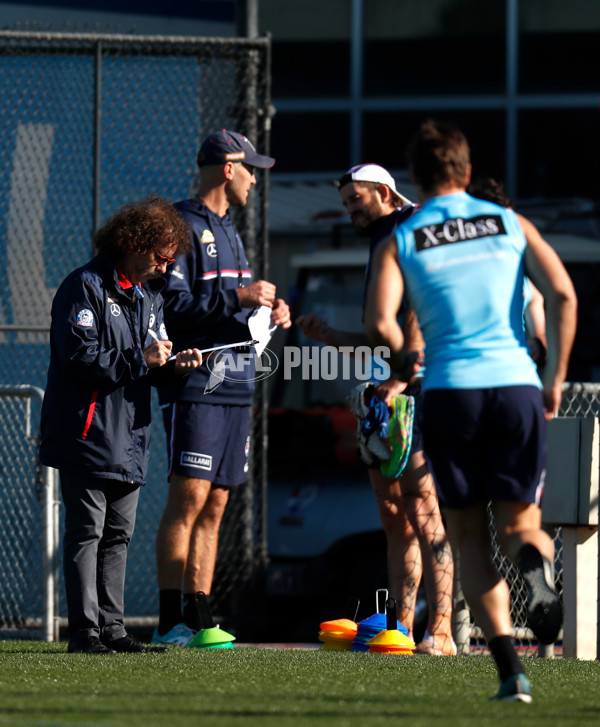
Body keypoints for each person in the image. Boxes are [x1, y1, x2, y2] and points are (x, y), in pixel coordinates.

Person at [364, 120, 577, 701]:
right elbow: (561, 294)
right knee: (519, 527)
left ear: (414, 178)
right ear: (464, 169)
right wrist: (552, 377)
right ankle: (534, 572)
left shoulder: (402, 235)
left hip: (451, 390)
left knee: (466, 537)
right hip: (515, 386)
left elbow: (379, 321)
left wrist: (405, 357)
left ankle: (511, 671)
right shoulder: (509, 222)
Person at [296, 163, 455, 655]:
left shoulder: (408, 228)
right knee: (393, 514)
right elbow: (380, 332)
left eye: (356, 200)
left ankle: (443, 631)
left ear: (384, 193)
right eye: (345, 202)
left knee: (425, 511)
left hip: (418, 389)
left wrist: (401, 379)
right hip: (389, 389)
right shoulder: (383, 235)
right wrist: (330, 338)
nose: (350, 210)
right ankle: (401, 629)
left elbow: (420, 314)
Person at [39, 197, 203, 654]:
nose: (167, 268)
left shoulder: (149, 298)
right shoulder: (85, 286)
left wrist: (176, 367)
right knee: (87, 532)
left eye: (172, 260)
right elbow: (78, 359)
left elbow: (150, 366)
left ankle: (112, 629)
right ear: (134, 242)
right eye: (162, 257)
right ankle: (85, 633)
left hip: (130, 437)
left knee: (118, 536)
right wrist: (142, 358)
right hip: (88, 434)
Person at [153, 130, 291, 646]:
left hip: (237, 381)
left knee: (217, 506)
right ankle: (170, 623)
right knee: (188, 500)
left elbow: (237, 305)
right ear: (228, 168)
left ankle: (201, 616)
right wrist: (240, 295)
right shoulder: (180, 225)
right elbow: (172, 307)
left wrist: (269, 310)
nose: (257, 179)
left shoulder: (232, 230)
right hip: (195, 383)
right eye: (251, 168)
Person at [468, 177, 547, 366]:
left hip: (514, 376)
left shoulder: (526, 282)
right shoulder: (457, 273)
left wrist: (538, 345)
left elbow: (540, 333)